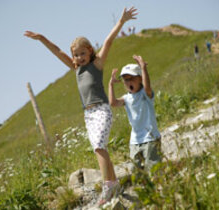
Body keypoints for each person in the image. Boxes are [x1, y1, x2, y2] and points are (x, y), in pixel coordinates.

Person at [24, 7, 138, 205]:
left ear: (90, 51)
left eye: (82, 53)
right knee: (100, 148)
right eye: (76, 55)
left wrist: (121, 22)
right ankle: (115, 183)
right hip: (89, 115)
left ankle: (107, 185)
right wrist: (42, 38)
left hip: (102, 109)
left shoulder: (97, 65)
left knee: (98, 147)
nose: (79, 58)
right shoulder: (75, 69)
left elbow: (109, 41)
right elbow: (57, 51)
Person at [108, 55, 161, 172]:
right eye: (125, 80)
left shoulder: (145, 94)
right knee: (135, 170)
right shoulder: (126, 98)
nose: (128, 82)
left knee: (154, 169)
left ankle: (158, 187)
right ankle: (144, 188)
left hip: (150, 138)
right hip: (135, 141)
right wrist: (110, 85)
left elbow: (147, 87)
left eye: (131, 78)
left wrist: (143, 68)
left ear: (140, 79)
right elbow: (113, 103)